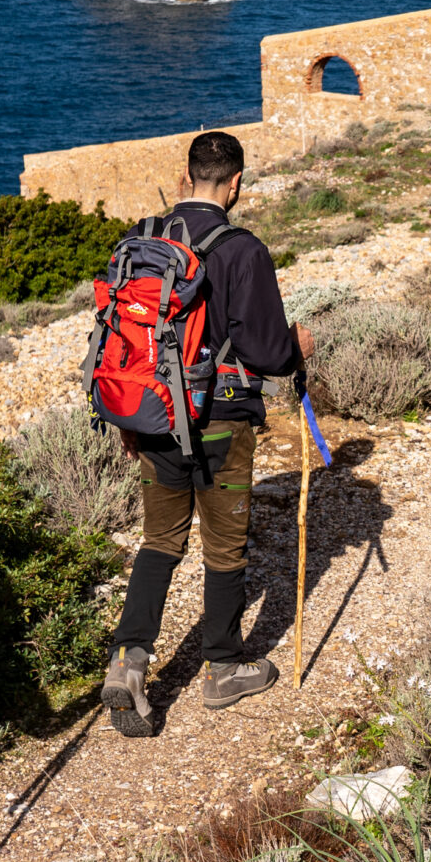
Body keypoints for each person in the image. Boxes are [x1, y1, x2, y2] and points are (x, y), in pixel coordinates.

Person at [99, 129, 313, 737]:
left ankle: (129, 658)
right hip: (220, 423)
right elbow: (267, 352)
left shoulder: (149, 240)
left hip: (152, 416)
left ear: (187, 174)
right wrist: (297, 349)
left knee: (160, 541)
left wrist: (131, 416)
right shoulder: (243, 249)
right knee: (224, 547)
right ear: (237, 183)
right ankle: (222, 667)